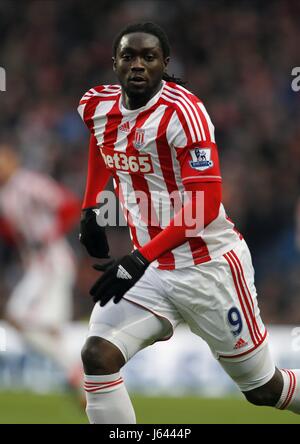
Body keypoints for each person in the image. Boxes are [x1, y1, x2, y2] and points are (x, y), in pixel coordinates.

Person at [78, 22, 300, 424]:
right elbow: (100, 140)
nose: (138, 65)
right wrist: (91, 208)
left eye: (149, 57)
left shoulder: (184, 113)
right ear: (114, 63)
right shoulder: (96, 105)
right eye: (129, 56)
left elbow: (206, 201)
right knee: (97, 355)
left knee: (264, 390)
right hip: (151, 273)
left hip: (209, 269)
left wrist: (139, 257)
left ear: (165, 63)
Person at [0, 144, 81, 384]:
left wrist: (49, 234)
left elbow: (68, 205)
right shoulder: (4, 194)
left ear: (13, 161)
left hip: (51, 262)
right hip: (35, 266)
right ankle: (78, 373)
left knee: (20, 315)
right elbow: (9, 233)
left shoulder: (30, 183)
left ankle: (77, 370)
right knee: (39, 327)